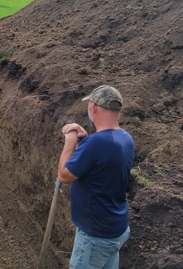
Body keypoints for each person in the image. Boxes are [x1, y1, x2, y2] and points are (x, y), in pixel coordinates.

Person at [58, 85, 134, 269]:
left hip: (94, 236)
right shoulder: (125, 139)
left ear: (93, 108)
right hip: (116, 229)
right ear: (119, 111)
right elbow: (101, 161)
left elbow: (64, 175)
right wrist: (84, 139)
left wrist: (70, 142)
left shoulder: (95, 144)